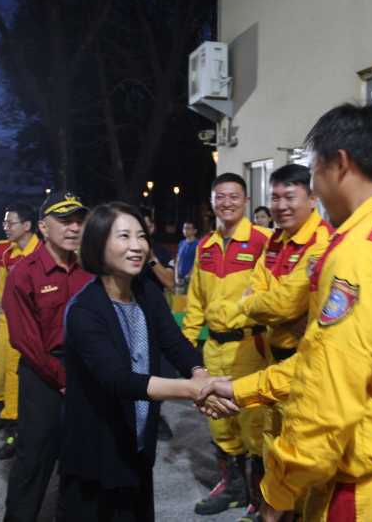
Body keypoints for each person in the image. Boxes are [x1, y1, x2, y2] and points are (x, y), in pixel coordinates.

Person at [200, 103, 372, 521]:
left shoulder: (361, 251)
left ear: (340, 164)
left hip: (368, 492)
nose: (312, 183)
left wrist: (277, 494)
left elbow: (327, 397)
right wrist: (241, 391)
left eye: (313, 169)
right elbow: (331, 361)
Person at [61, 202, 236, 522]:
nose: (137, 246)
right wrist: (194, 390)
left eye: (141, 236)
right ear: (98, 245)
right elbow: (117, 379)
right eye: (124, 236)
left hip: (138, 444)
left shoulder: (146, 292)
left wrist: (201, 374)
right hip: (97, 453)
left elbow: (175, 343)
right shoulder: (84, 310)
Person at [224, 163, 333, 522]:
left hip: (306, 366)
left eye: (290, 196)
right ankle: (275, 510)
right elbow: (262, 292)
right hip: (273, 358)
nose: (281, 205)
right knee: (274, 444)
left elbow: (285, 302)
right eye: (275, 197)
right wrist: (265, 302)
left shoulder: (322, 243)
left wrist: (257, 304)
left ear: (313, 198)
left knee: (303, 452)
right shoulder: (275, 240)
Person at [183, 173, 271, 516]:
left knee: (254, 425)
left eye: (234, 196)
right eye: (220, 197)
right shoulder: (205, 246)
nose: (227, 203)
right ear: (212, 201)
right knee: (219, 422)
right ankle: (233, 489)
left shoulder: (265, 241)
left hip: (251, 348)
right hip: (213, 350)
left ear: (246, 201)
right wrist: (188, 354)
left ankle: (261, 498)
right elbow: (194, 305)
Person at [2, 191, 93, 522]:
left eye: (79, 221)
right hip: (43, 376)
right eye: (64, 221)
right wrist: (64, 380)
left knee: (81, 461)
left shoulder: (91, 269)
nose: (73, 228)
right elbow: (25, 341)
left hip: (87, 373)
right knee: (34, 461)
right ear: (42, 226)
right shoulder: (23, 274)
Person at [0, 203, 41, 461]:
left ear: (26, 226)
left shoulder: (43, 251)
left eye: (10, 222)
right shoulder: (2, 250)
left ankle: (15, 427)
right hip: (5, 322)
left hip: (31, 326)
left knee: (17, 375)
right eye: (4, 223)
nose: (5, 227)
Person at [138, 205, 177, 441]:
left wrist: (151, 259)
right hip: (131, 320)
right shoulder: (122, 252)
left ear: (151, 227)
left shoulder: (161, 253)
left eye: (145, 226)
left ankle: (155, 414)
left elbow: (171, 283)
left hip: (156, 321)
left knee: (159, 371)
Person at [175, 220, 199, 294]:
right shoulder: (181, 243)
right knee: (179, 303)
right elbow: (178, 261)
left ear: (194, 231)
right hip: (180, 279)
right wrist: (176, 276)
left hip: (192, 279)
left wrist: (189, 275)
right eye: (184, 228)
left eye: (188, 228)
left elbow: (197, 262)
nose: (185, 230)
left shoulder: (198, 244)